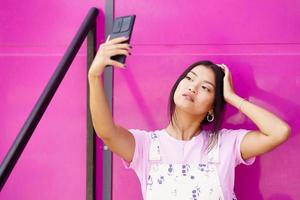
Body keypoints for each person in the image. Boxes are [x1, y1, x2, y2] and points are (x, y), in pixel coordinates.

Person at [88, 35, 291, 200]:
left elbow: (279, 132)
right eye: (189, 78)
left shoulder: (225, 144)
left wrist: (232, 97)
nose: (192, 87)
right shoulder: (146, 146)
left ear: (213, 107)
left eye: (205, 87)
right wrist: (94, 76)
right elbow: (107, 132)